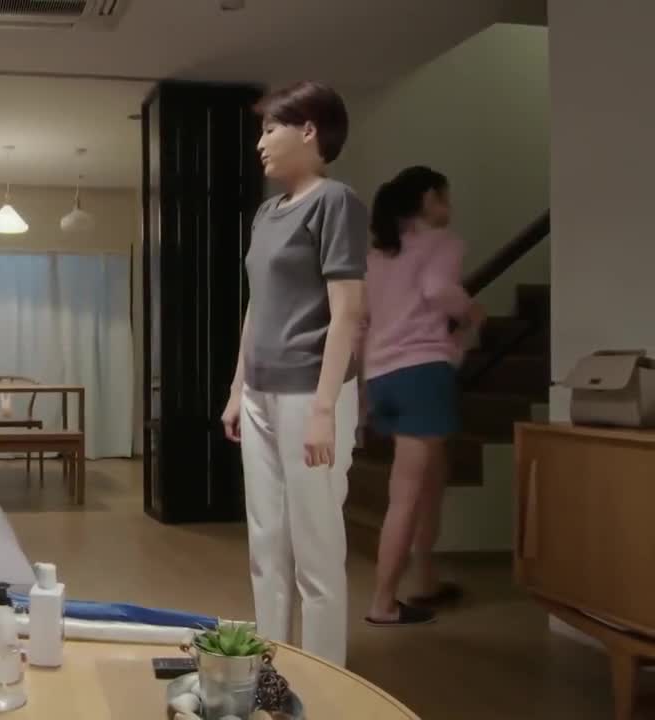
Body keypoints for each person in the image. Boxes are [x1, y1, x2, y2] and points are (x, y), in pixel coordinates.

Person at [221, 81, 368, 667]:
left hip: (312, 392)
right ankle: (271, 667)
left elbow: (347, 310)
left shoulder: (337, 202)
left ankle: (325, 679)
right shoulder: (266, 213)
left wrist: (325, 411)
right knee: (266, 543)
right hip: (260, 392)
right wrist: (238, 389)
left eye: (270, 129)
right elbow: (257, 305)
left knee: (316, 549)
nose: (260, 142)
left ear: (309, 130)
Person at [360, 166, 484, 626]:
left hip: (383, 376)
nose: (449, 207)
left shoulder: (376, 257)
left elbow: (362, 322)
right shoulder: (442, 243)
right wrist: (471, 311)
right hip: (421, 372)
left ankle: (425, 579)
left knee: (433, 477)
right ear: (429, 198)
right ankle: (384, 603)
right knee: (408, 493)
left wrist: (363, 390)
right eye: (445, 197)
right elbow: (438, 290)